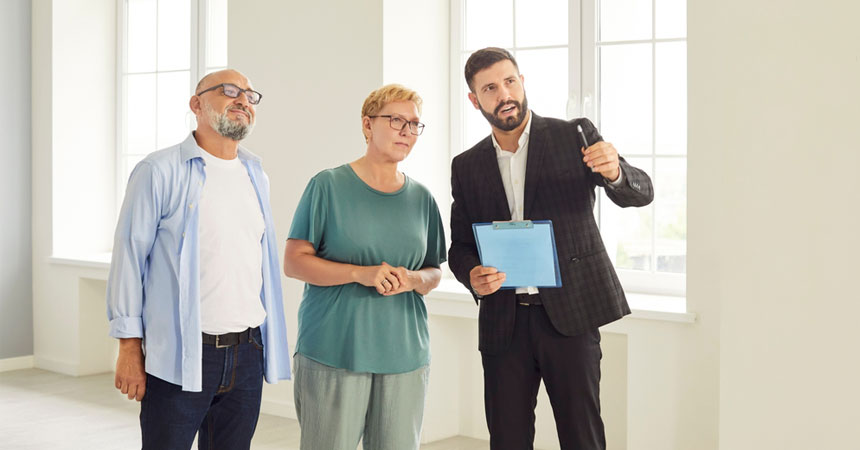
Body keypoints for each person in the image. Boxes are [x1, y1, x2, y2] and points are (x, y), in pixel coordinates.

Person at [448, 47, 654, 450]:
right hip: (503, 324)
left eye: (509, 81)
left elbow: (641, 192)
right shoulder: (466, 165)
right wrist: (472, 274)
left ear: (522, 82)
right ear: (475, 100)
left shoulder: (573, 135)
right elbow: (460, 247)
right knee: (507, 440)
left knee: (582, 437)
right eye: (490, 88)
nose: (503, 93)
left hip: (571, 318)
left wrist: (614, 171)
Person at [106, 69, 291, 450]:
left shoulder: (257, 175)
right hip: (183, 352)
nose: (243, 100)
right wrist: (128, 348)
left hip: (248, 352)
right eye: (229, 91)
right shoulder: (158, 171)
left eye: (250, 96)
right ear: (196, 104)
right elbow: (129, 260)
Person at [283, 84, 446, 450]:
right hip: (335, 350)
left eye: (415, 124)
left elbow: (435, 270)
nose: (406, 131)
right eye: (396, 120)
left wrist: (414, 278)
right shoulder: (328, 185)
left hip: (405, 353)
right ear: (367, 125)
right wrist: (360, 273)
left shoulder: (422, 198)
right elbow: (293, 262)